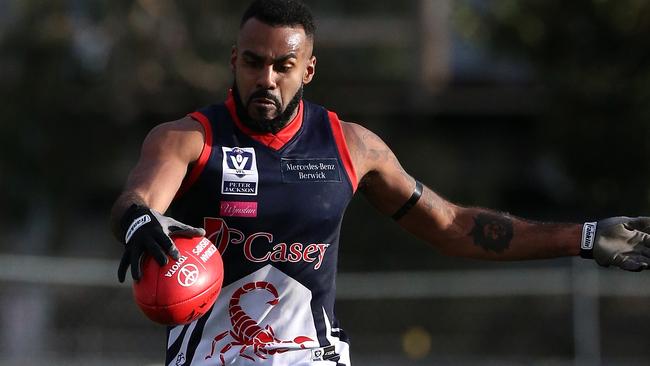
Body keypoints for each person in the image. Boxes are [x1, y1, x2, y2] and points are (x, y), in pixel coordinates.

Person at [110, 0, 650, 365]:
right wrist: (136, 220)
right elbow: (139, 198)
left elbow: (454, 226)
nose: (266, 78)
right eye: (252, 62)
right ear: (234, 60)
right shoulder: (188, 139)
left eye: (283, 64)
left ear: (309, 70)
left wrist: (581, 237)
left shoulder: (351, 146)